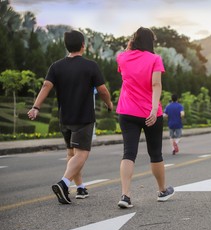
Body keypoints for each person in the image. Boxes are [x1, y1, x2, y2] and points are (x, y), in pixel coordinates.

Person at [27, 30, 113, 204]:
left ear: (66, 46)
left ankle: (80, 188)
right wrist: (109, 104)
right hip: (83, 118)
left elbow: (46, 86)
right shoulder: (91, 66)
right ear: (83, 45)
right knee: (81, 154)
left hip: (64, 118)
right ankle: (64, 183)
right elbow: (103, 90)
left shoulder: (56, 66)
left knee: (71, 154)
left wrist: (36, 106)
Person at [116, 27, 174, 208]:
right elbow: (156, 84)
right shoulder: (155, 59)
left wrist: (129, 45)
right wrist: (154, 108)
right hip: (150, 114)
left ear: (133, 40)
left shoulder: (122, 57)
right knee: (155, 154)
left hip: (126, 111)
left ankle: (125, 196)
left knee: (128, 153)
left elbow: (125, 67)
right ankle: (162, 191)